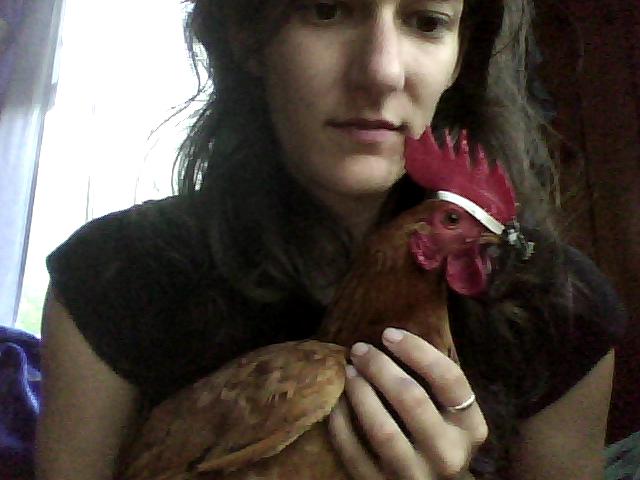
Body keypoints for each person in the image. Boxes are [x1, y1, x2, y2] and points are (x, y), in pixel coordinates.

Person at [34, 0, 627, 479]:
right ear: (248, 34)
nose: (382, 71)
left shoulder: (562, 306)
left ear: (460, 55)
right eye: (326, 10)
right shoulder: (113, 277)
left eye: (427, 21)